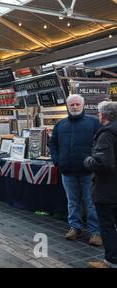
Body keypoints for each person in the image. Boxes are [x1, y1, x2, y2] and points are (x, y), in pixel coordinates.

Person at [49, 94, 102, 246]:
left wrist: (95, 162)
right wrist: (57, 161)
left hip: (89, 172)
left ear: (83, 105)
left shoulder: (94, 123)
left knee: (91, 202)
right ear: (67, 106)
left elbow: (102, 144)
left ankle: (95, 232)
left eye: (77, 104)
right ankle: (75, 227)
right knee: (73, 202)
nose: (75, 107)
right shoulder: (60, 124)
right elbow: (53, 144)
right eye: (72, 104)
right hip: (67, 171)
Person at [84, 101, 117, 268]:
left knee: (108, 227)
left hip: (107, 190)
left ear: (103, 115)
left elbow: (102, 164)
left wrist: (88, 161)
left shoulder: (106, 134)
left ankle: (111, 261)